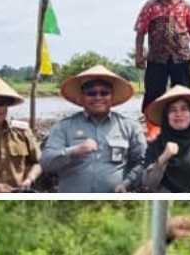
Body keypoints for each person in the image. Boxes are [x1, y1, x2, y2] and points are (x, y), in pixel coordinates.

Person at [41, 65, 145, 193]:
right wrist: (73, 151)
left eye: (104, 93)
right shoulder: (64, 127)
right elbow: (46, 162)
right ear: (82, 97)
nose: (98, 97)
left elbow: (143, 162)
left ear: (112, 96)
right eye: (91, 93)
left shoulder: (130, 127)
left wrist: (127, 183)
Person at [134, 0, 190, 132]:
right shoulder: (151, 6)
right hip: (157, 57)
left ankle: (187, 129)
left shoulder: (185, 6)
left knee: (184, 93)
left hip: (181, 57)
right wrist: (139, 55)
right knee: (153, 93)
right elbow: (140, 31)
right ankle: (153, 130)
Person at [140, 85, 190, 192]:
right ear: (166, 116)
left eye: (184, 109)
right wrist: (163, 158)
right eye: (172, 110)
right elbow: (148, 183)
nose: (178, 114)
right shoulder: (156, 144)